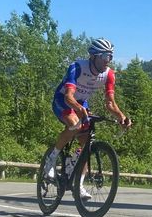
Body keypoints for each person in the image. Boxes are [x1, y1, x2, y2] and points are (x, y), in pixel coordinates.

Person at [44, 38, 132, 199]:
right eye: (104, 57)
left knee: (87, 146)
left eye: (110, 57)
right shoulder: (77, 67)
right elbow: (69, 97)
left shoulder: (109, 75)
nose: (107, 61)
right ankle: (51, 159)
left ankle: (78, 184)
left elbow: (110, 103)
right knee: (75, 125)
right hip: (63, 100)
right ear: (93, 56)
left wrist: (121, 117)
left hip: (81, 103)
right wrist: (79, 109)